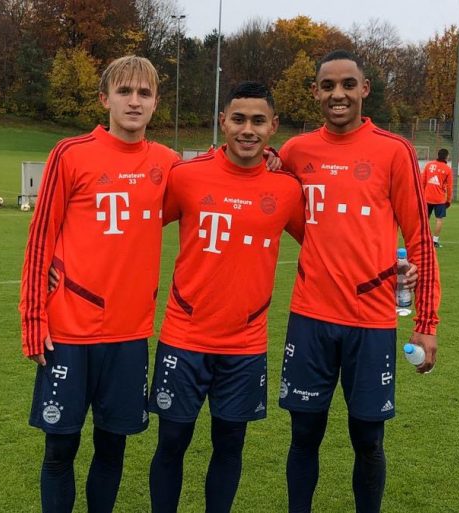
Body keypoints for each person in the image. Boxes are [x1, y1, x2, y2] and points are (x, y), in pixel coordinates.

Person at [276, 50, 440, 513]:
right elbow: (281, 208)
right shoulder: (296, 152)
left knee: (367, 438)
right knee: (303, 435)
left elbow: (420, 240)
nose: (338, 94)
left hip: (370, 322)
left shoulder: (394, 150)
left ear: (365, 89)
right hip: (310, 317)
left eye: (349, 84)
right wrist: (324, 245)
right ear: (315, 92)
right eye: (328, 86)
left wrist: (426, 322)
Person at [18, 55, 180, 513]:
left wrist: (272, 158)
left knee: (113, 450)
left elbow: (223, 176)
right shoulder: (71, 154)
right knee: (59, 449)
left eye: (144, 93)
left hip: (129, 335)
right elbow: (39, 244)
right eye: (125, 92)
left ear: (155, 104)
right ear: (104, 98)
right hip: (69, 331)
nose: (134, 101)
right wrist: (33, 320)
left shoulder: (169, 165)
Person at [147, 81, 305, 513]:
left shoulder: (288, 190)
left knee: (230, 444)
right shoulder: (187, 176)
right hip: (184, 335)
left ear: (273, 127)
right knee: (172, 442)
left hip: (246, 344)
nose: (247, 130)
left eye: (258, 121)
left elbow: (327, 245)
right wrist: (62, 257)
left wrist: (390, 264)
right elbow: (134, 232)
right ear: (223, 122)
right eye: (238, 119)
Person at [422, 148, 453, 248]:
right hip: (439, 199)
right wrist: (448, 200)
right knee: (439, 219)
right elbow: (449, 187)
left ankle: (423, 240)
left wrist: (421, 196)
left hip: (426, 197)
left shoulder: (429, 165)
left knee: (425, 219)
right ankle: (435, 241)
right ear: (446, 156)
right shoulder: (447, 169)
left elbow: (422, 182)